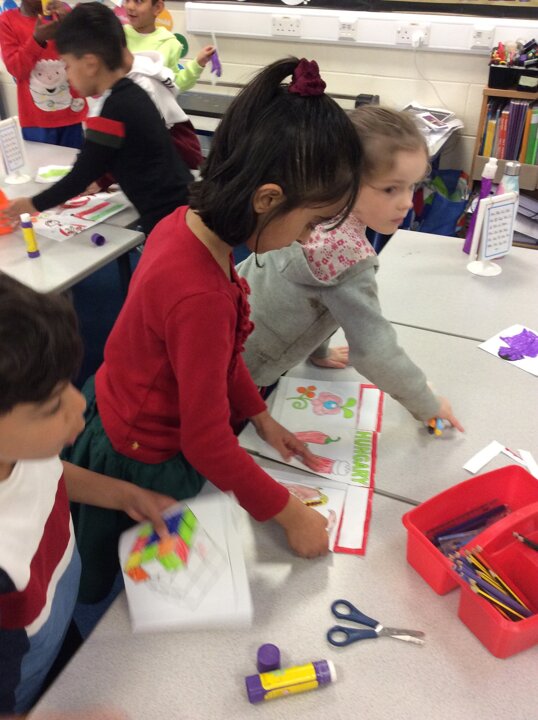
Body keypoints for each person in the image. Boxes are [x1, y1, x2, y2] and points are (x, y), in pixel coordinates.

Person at [62, 56, 362, 604]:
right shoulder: (200, 294)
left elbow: (221, 359)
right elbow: (204, 441)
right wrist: (289, 513)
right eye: (310, 222)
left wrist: (260, 416)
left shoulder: (187, 225)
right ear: (267, 199)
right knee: (132, 594)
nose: (306, 239)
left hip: (121, 413)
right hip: (143, 452)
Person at [0, 275, 177, 716]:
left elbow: (47, 474)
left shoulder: (22, 449)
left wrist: (124, 495)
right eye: (51, 407)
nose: (79, 405)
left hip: (51, 633)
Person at [238, 106, 464, 431]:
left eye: (412, 186)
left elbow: (305, 295)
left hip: (228, 335)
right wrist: (427, 403)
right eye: (391, 188)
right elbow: (375, 351)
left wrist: (318, 351)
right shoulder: (347, 256)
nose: (406, 202)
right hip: (246, 372)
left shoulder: (307, 208)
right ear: (345, 179)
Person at [4, 2, 192, 236]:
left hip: (171, 223)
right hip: (183, 209)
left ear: (91, 64)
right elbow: (112, 157)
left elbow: (81, 176)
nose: (67, 75)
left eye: (67, 65)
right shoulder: (131, 92)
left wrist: (31, 204)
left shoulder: (112, 111)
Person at [0, 0, 87, 148]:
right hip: (36, 121)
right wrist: (37, 40)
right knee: (40, 163)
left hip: (72, 114)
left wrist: (71, 24)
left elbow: (85, 55)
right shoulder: (7, 21)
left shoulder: (62, 14)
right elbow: (16, 69)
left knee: (75, 160)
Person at [123, 0, 215, 92]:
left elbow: (175, 85)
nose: (130, 6)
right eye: (127, 0)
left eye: (138, 1)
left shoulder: (169, 43)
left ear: (157, 7)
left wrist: (197, 64)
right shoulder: (118, 36)